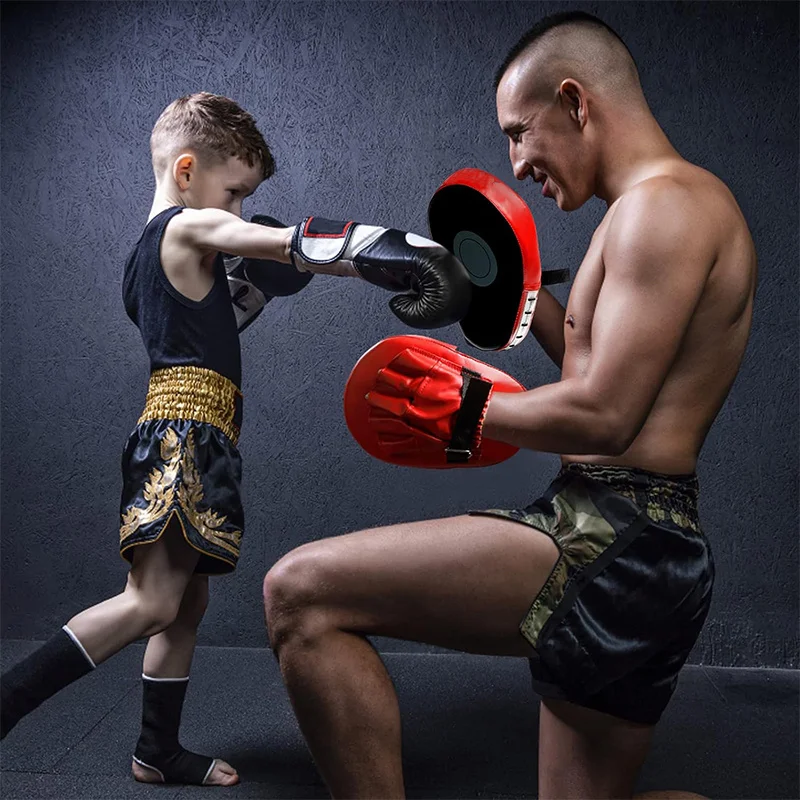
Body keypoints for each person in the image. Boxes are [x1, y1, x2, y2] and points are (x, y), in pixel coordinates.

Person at [262, 11, 756, 799]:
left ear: (576, 101)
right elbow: (597, 367)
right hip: (646, 544)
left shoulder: (666, 211)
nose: (518, 162)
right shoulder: (646, 212)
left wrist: (462, 409)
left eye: (521, 132)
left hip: (613, 534)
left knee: (300, 592)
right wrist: (488, 296)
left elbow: (604, 417)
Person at [0, 92, 470, 786]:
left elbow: (223, 316)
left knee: (186, 601)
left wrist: (272, 279)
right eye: (235, 193)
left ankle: (155, 750)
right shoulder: (184, 230)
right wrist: (400, 253)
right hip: (184, 435)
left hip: (201, 430)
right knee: (153, 601)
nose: (240, 213)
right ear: (187, 172)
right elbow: (281, 243)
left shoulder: (154, 259)